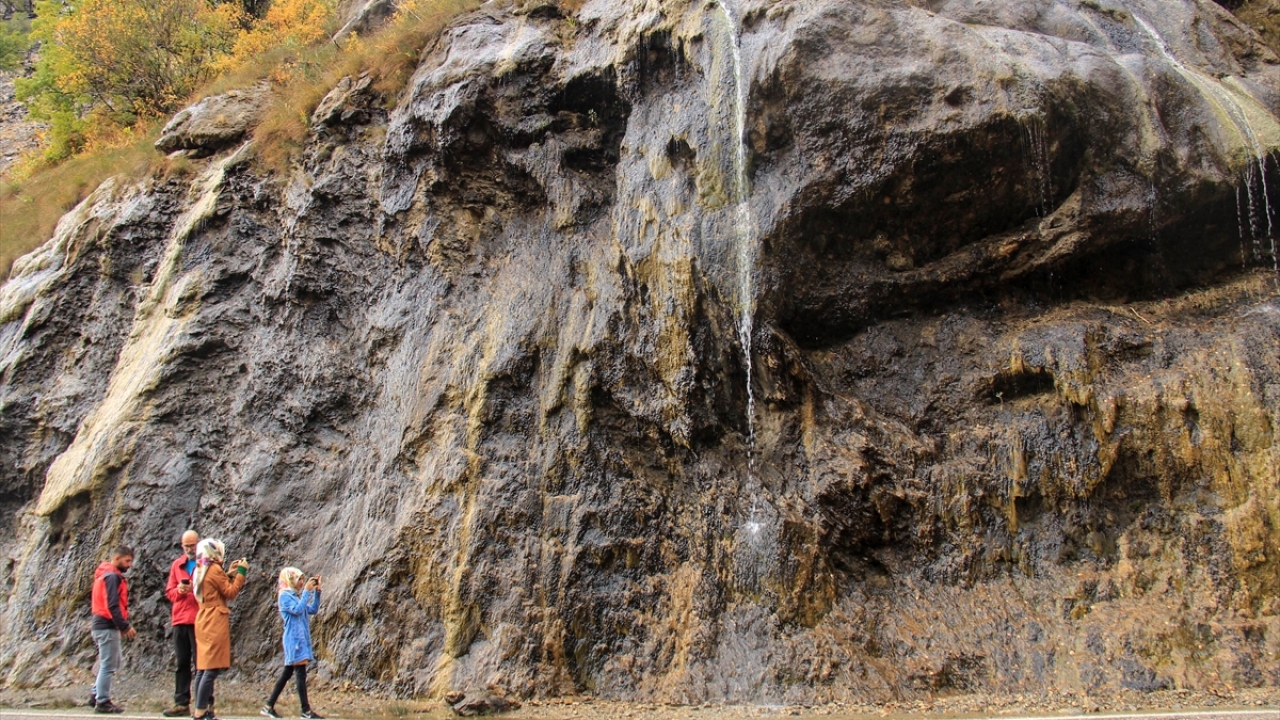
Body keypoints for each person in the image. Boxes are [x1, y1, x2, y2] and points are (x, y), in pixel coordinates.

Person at [192, 539, 247, 720]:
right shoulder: (214, 569)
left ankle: (202, 709)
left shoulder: (200, 568)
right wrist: (241, 573)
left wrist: (228, 574)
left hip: (203, 617)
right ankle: (201, 712)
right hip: (214, 619)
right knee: (211, 668)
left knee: (203, 667)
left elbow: (217, 587)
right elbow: (230, 593)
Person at [261, 568, 323, 720]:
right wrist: (307, 593)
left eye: (303, 579)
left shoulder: (295, 596)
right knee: (300, 673)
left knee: (288, 673)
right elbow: (297, 610)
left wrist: (317, 592)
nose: (302, 582)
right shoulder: (284, 596)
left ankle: (268, 706)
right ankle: (306, 711)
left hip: (300, 640)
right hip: (294, 641)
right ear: (290, 580)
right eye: (298, 579)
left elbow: (312, 609)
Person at [90, 546, 137, 714]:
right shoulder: (112, 577)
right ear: (117, 559)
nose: (129, 565)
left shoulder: (105, 575)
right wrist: (125, 626)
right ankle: (102, 701)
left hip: (102, 625)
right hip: (107, 626)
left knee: (114, 662)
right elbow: (112, 605)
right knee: (108, 664)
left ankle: (96, 694)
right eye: (127, 561)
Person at [163, 531, 201, 717]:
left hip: (199, 619)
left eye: (192, 546)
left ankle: (205, 703)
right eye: (186, 546)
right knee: (182, 662)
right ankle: (181, 702)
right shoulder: (177, 565)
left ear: (198, 544)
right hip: (179, 619)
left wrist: (192, 591)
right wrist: (179, 591)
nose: (190, 549)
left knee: (201, 663)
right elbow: (169, 593)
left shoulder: (205, 564)